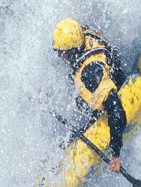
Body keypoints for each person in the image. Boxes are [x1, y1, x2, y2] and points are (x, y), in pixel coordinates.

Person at [53, 18, 127, 172]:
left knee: (71, 140)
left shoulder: (90, 74)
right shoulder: (85, 35)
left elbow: (116, 110)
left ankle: (57, 166)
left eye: (63, 53)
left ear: (72, 51)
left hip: (111, 95)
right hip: (108, 76)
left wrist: (116, 154)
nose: (61, 56)